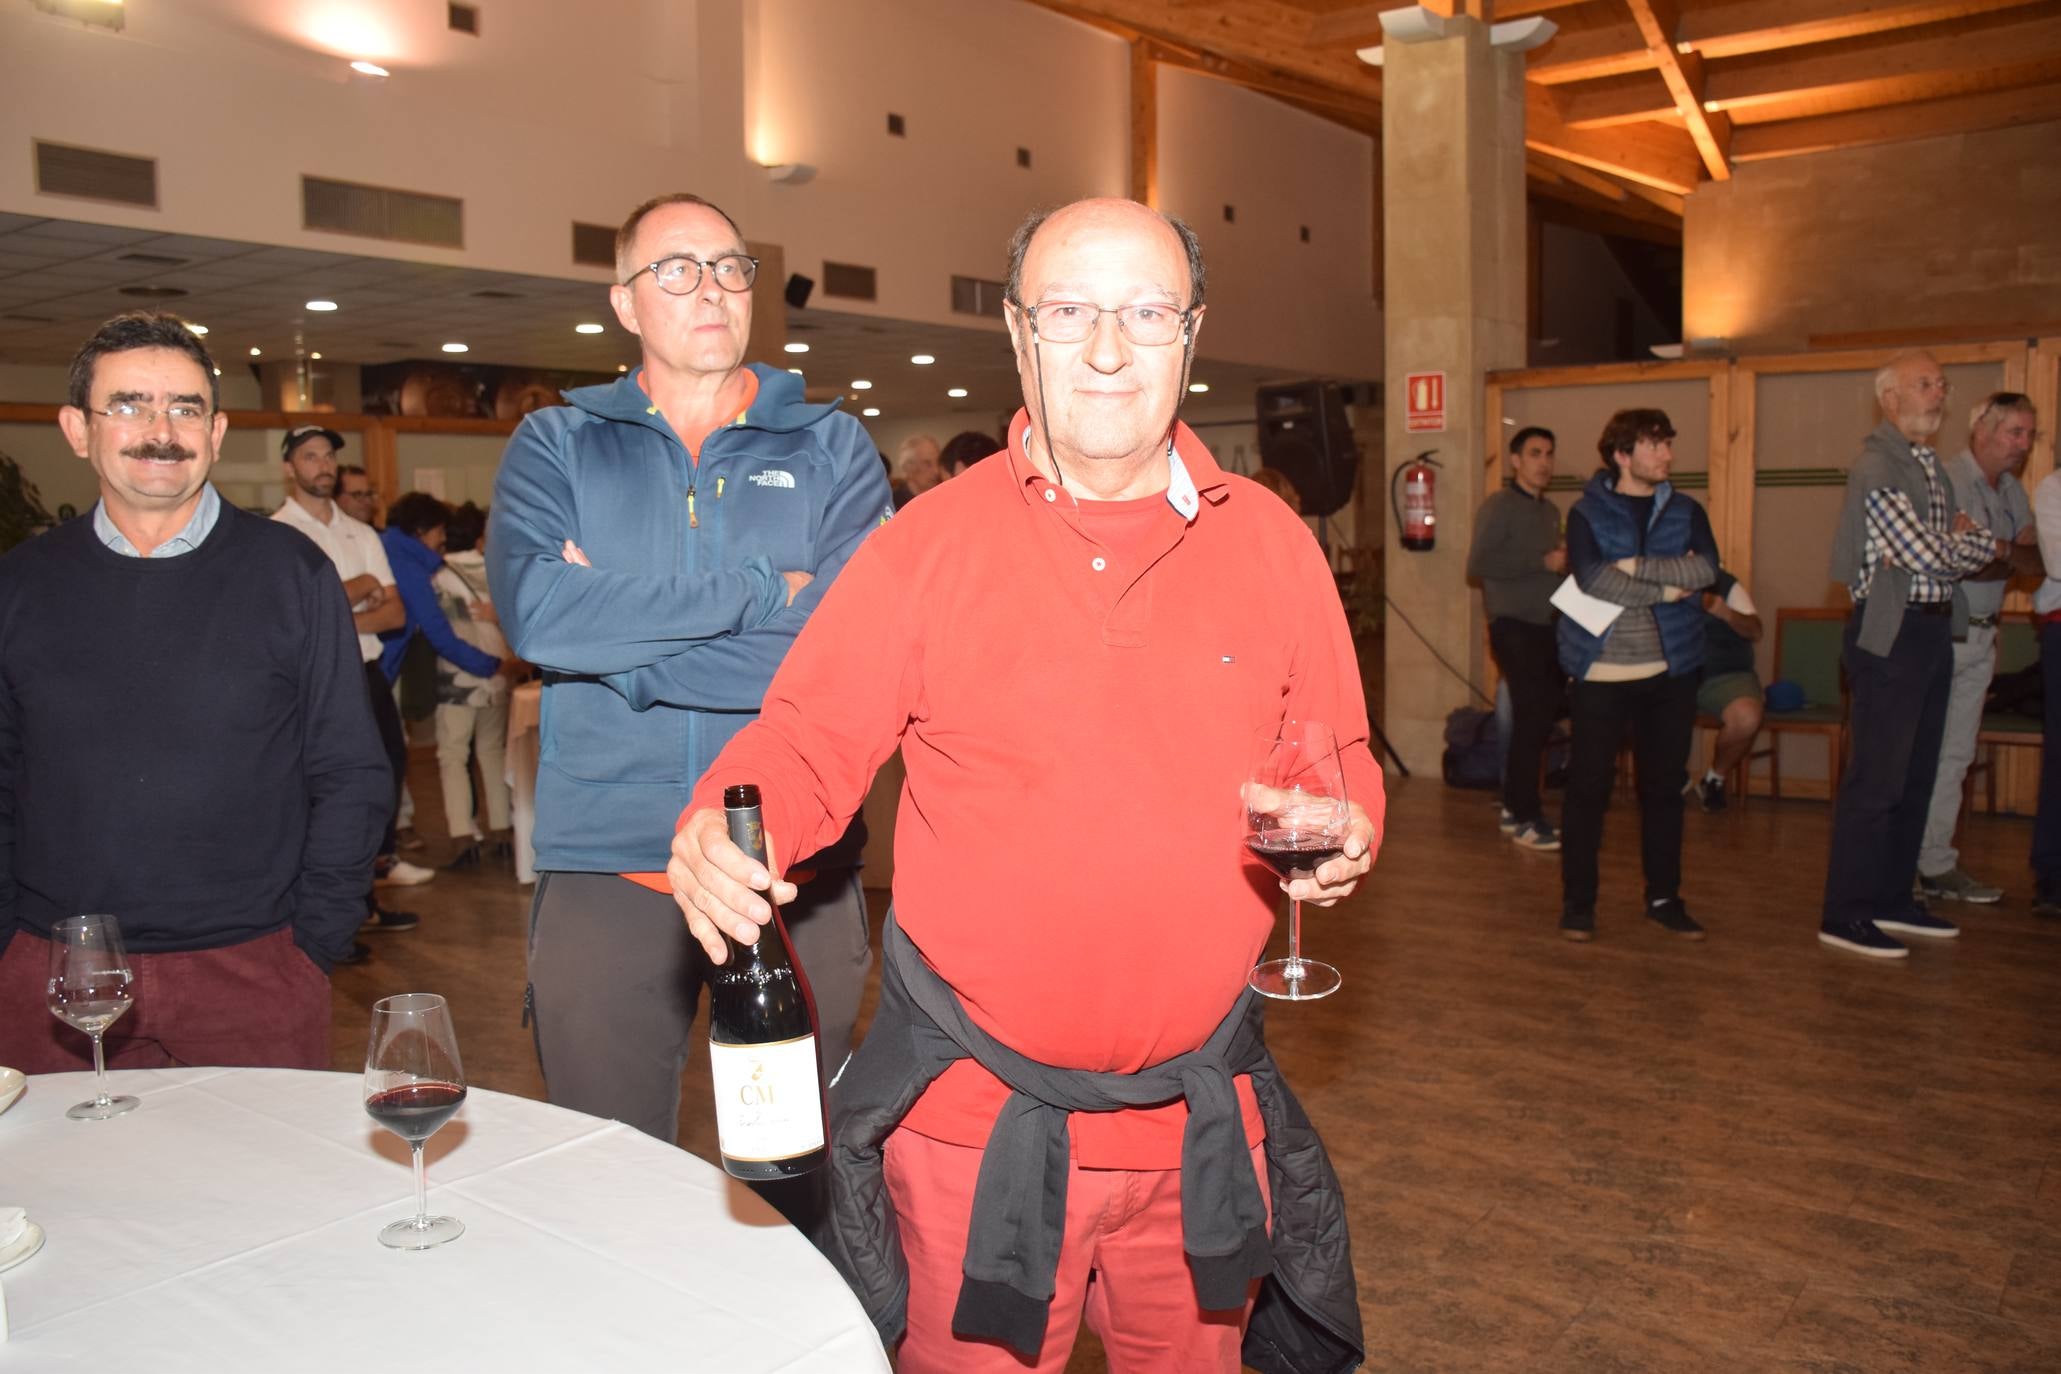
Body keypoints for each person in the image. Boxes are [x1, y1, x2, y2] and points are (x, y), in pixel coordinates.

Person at [666, 198, 1376, 1374]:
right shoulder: (923, 547)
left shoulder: (1276, 546)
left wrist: (1354, 828)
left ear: (1192, 336)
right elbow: (802, 741)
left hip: (1199, 1123)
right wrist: (725, 825)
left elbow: (1334, 759)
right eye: (1069, 312)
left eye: (1147, 312)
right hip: (970, 1130)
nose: (1108, 348)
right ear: (1016, 332)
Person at [487, 192, 890, 1148]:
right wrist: (760, 590)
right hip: (609, 862)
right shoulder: (558, 443)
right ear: (624, 302)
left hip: (794, 864)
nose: (709, 288)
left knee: (797, 1167)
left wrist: (619, 659)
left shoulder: (830, 444)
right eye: (675, 269)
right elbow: (541, 616)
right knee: (606, 1168)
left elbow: (842, 649)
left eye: (728, 267)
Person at [0, 312, 388, 1068]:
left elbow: (350, 771)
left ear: (215, 433)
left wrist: (312, 945)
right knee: (68, 1189)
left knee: (258, 1187)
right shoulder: (20, 583)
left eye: (184, 408)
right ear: (78, 430)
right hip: (54, 971)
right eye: (130, 405)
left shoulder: (291, 574)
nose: (160, 430)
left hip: (254, 970)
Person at [1820, 351, 2001, 958]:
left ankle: (1893, 899)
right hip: (1889, 635)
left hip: (1931, 632)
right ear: (1890, 397)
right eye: (1925, 384)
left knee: (1917, 776)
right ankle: (1844, 912)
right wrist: (1960, 543)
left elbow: (1973, 547)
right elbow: (1926, 551)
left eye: (1942, 385)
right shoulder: (1877, 463)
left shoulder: (1929, 466)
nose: (1939, 394)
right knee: (1877, 780)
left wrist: (1960, 542)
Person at [1557, 409, 1717, 943]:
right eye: (1655, 445)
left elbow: (1706, 570)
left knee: (1664, 790)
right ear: (1623, 455)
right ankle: (1579, 904)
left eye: (1669, 444)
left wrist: (1632, 568)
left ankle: (1665, 897)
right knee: (1587, 791)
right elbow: (1591, 579)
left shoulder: (1688, 509)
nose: (1668, 454)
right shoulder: (1585, 512)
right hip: (1599, 671)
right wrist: (1670, 588)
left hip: (1672, 670)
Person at [272, 427, 418, 951]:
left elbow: (396, 611)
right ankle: (325, 911)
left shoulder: (361, 533)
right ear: (290, 468)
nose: (323, 464)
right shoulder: (277, 535)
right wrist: (358, 591)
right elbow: (290, 620)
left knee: (380, 782)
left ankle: (364, 900)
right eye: (310, 456)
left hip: (368, 676)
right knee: (320, 791)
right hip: (312, 683)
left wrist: (331, 609)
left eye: (329, 455)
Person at [1916, 392, 2040, 903]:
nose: (2023, 445)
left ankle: (1936, 864)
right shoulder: (1948, 480)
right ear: (1982, 432)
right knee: (1924, 752)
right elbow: (1962, 562)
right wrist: (2001, 553)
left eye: (2030, 435)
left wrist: (1999, 548)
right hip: (1945, 632)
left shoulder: (2012, 490)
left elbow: (2037, 562)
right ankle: (1903, 865)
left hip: (1986, 634)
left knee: (1958, 755)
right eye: (2015, 433)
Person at [1468, 425, 1566, 851]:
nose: (1543, 462)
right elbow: (1478, 563)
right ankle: (1526, 815)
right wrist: (1540, 560)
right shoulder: (1500, 506)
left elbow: (1549, 569)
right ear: (1515, 461)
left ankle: (1513, 807)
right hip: (1511, 626)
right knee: (1529, 718)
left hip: (1549, 627)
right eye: (1535, 453)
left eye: (1549, 454)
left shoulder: (1549, 512)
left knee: (1542, 717)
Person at [430, 501, 514, 869]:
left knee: (453, 756)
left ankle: (464, 836)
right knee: (492, 752)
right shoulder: (498, 571)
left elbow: (442, 632)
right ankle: (502, 829)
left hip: (457, 680)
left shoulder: (440, 575)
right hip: (499, 675)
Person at [1688, 567, 1764, 811]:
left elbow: (1755, 630)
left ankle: (1714, 779)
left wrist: (1723, 611)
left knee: (1746, 716)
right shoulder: (1651, 577)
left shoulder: (1724, 584)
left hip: (1724, 676)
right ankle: (1670, 778)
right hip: (1675, 676)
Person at [893, 433, 943, 509]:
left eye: (938, 462)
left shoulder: (944, 497)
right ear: (908, 467)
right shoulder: (893, 504)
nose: (936, 471)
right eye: (927, 464)